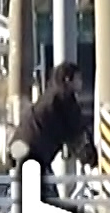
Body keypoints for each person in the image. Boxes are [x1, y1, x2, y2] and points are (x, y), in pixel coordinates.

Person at [12, 62, 97, 203]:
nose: (81, 82)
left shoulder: (52, 94)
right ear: (68, 80)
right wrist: (88, 156)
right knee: (50, 197)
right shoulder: (64, 100)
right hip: (34, 151)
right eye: (78, 78)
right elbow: (74, 129)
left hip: (23, 144)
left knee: (43, 192)